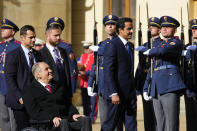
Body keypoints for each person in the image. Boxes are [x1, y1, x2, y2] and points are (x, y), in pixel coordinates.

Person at [143, 16, 186, 131]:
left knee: (170, 124)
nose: (164, 29)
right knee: (159, 124)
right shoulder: (158, 44)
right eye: (162, 27)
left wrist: (151, 50)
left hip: (169, 85)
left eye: (168, 27)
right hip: (156, 86)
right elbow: (152, 68)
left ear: (175, 30)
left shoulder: (176, 42)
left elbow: (163, 50)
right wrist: (146, 86)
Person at [22, 62, 92, 131]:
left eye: (50, 68)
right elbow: (34, 112)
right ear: (38, 75)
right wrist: (52, 118)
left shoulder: (58, 86)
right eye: (46, 69)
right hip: (47, 124)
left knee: (85, 120)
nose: (50, 70)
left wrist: (74, 114)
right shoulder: (29, 90)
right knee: (63, 123)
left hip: (65, 119)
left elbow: (68, 104)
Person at [87, 14, 123, 130]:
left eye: (112, 24)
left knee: (115, 123)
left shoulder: (119, 43)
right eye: (107, 25)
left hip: (115, 88)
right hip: (102, 87)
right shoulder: (102, 44)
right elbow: (96, 65)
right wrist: (90, 82)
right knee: (104, 122)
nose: (110, 27)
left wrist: (101, 50)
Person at [101, 17, 137, 131]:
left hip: (130, 94)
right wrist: (113, 92)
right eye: (129, 29)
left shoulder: (130, 46)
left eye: (132, 29)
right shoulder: (113, 44)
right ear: (120, 30)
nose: (131, 31)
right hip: (117, 94)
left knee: (131, 125)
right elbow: (108, 70)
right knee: (110, 125)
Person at [4, 25, 39, 130]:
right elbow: (10, 79)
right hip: (20, 103)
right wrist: (20, 97)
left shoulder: (37, 55)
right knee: (23, 128)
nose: (34, 40)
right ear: (22, 38)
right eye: (31, 37)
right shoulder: (13, 55)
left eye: (34, 37)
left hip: (36, 101)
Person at [135, 17, 161, 131]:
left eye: (154, 26)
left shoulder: (161, 44)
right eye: (150, 26)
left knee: (158, 116)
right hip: (144, 80)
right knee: (147, 116)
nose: (151, 28)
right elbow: (140, 66)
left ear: (159, 30)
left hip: (157, 82)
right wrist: (137, 83)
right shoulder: (145, 44)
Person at [38, 18, 72, 101]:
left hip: (64, 94)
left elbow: (67, 73)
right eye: (55, 35)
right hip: (50, 94)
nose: (58, 38)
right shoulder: (40, 53)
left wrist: (69, 93)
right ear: (47, 36)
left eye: (59, 35)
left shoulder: (63, 51)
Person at [0, 18, 20, 131]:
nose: (2, 30)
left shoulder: (18, 46)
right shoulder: (1, 46)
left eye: (5, 28)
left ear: (12, 32)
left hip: (12, 87)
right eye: (2, 28)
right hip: (1, 86)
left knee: (13, 117)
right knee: (3, 117)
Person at [78, 41, 98, 123]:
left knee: (93, 102)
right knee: (85, 102)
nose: (86, 50)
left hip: (92, 82)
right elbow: (78, 65)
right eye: (85, 48)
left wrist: (85, 73)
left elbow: (95, 70)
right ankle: (86, 117)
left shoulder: (95, 56)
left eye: (87, 48)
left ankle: (92, 118)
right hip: (83, 82)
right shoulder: (82, 56)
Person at [182, 19, 197, 131]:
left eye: (196, 29)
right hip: (189, 85)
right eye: (193, 29)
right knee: (190, 117)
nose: (194, 31)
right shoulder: (186, 46)